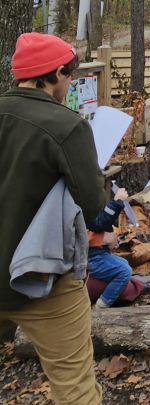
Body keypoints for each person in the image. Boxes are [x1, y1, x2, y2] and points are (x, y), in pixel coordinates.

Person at [0, 32, 106, 404]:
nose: (71, 82)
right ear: (57, 73)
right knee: (73, 384)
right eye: (70, 75)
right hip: (39, 275)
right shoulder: (66, 125)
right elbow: (92, 204)